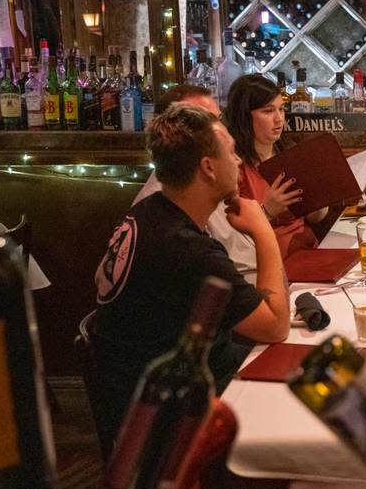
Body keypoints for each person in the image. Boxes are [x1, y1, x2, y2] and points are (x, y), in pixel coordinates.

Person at [93, 103, 290, 446]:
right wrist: (263, 230)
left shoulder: (148, 211)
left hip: (147, 395)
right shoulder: (186, 250)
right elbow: (275, 326)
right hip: (177, 419)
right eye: (232, 153)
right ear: (208, 168)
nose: (240, 162)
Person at [133, 84, 258, 283]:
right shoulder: (170, 216)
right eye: (201, 123)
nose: (220, 131)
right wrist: (264, 231)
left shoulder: (205, 186)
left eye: (218, 119)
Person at [225, 74, 336, 260]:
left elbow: (315, 219)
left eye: (281, 110)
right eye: (268, 111)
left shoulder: (289, 153)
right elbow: (229, 237)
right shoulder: (233, 166)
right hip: (266, 263)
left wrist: (319, 199)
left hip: (309, 254)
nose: (279, 120)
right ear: (244, 116)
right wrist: (267, 211)